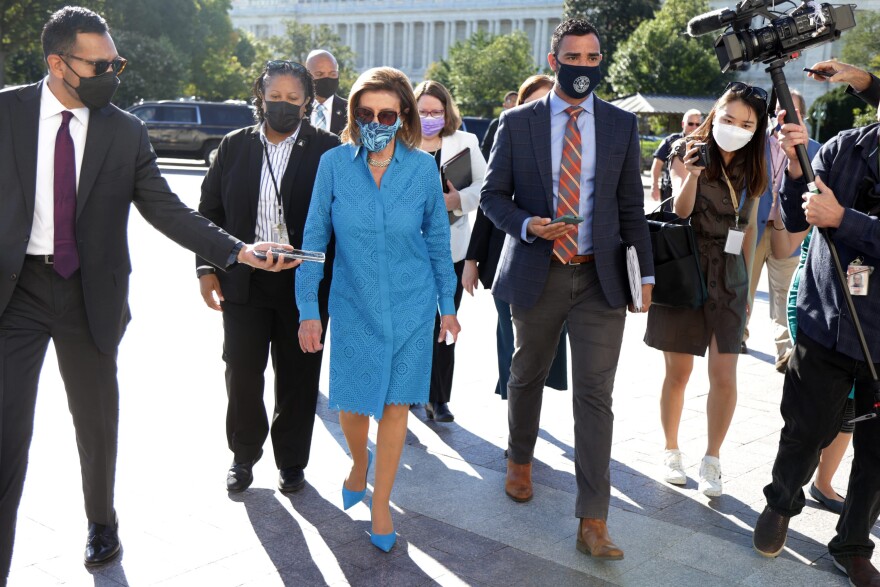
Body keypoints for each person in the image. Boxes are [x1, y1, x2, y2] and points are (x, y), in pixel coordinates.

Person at [0, 6, 291, 577]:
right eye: (100, 63)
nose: (113, 72)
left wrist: (236, 250)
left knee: (96, 420)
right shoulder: (6, 112)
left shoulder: (125, 130)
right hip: (18, 294)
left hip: (89, 294)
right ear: (58, 63)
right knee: (7, 436)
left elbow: (165, 208)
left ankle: (101, 521)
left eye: (117, 62)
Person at [481, 19, 654, 560]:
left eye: (592, 56)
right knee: (526, 372)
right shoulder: (517, 123)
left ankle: (593, 521)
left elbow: (631, 208)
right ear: (554, 61)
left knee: (595, 396)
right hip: (539, 271)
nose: (584, 65)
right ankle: (519, 459)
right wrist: (529, 225)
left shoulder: (621, 126)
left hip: (600, 278)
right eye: (573, 57)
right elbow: (492, 197)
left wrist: (643, 276)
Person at [296, 67, 460, 553]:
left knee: (394, 407)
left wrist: (446, 304)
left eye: (387, 113)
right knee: (350, 405)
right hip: (353, 303)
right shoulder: (333, 165)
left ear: (403, 114)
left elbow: (436, 242)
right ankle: (357, 462)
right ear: (353, 114)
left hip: (412, 304)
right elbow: (312, 241)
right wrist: (309, 307)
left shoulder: (422, 170)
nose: (376, 120)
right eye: (365, 112)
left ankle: (382, 504)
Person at [752, 61, 880, 587]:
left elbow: (836, 220)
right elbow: (796, 210)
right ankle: (782, 502)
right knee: (804, 427)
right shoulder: (842, 147)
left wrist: (845, 220)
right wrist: (796, 169)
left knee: (876, 451)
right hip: (828, 319)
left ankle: (851, 544)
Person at [196, 61, 340, 494]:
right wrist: (206, 268)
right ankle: (243, 455)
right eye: (274, 97)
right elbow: (209, 212)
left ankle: (292, 462)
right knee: (241, 371)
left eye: (293, 99)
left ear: (308, 102)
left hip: (305, 286)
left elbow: (342, 220)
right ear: (260, 96)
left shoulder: (328, 150)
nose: (282, 106)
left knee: (298, 375)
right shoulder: (234, 146)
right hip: (243, 280)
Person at [645, 82, 768, 497]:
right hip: (687, 271)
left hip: (730, 278)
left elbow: (748, 229)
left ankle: (712, 459)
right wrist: (693, 174)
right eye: (729, 118)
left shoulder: (756, 166)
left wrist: (748, 288)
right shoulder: (688, 149)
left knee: (725, 374)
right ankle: (670, 448)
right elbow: (680, 210)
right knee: (678, 373)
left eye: (746, 123)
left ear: (757, 128)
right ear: (716, 115)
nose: (736, 127)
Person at [463, 73, 569, 400]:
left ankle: (526, 391)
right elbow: (486, 202)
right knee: (509, 327)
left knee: (543, 336)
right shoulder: (508, 132)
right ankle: (515, 398)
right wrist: (471, 259)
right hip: (503, 254)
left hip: (556, 258)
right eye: (534, 102)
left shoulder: (574, 144)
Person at [413, 80, 487, 423]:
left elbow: (485, 188)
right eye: (423, 111)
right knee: (412, 325)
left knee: (444, 324)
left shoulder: (464, 142)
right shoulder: (399, 141)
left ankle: (439, 398)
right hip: (406, 252)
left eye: (436, 112)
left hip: (451, 250)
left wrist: (457, 199)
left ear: (447, 112)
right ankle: (411, 390)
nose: (430, 117)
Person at [742, 90, 820, 369]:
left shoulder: (815, 150)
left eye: (790, 110)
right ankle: (738, 333)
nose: (782, 116)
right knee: (744, 284)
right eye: (778, 111)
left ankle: (786, 351)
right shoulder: (754, 143)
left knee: (784, 293)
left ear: (802, 115)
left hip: (790, 231)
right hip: (754, 227)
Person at [650, 109, 703, 211]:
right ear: (683, 124)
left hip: (695, 193)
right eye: (690, 123)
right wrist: (654, 186)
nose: (694, 127)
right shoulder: (670, 140)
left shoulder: (703, 143)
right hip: (671, 191)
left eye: (697, 124)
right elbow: (657, 164)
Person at [306, 49, 347, 135]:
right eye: (319, 74)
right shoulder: (297, 109)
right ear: (307, 75)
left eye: (332, 74)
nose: (327, 79)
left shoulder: (351, 110)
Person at [480, 90, 517, 161]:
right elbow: (486, 147)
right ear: (504, 105)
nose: (514, 103)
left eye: (516, 100)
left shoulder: (523, 123)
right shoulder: (496, 123)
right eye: (510, 101)